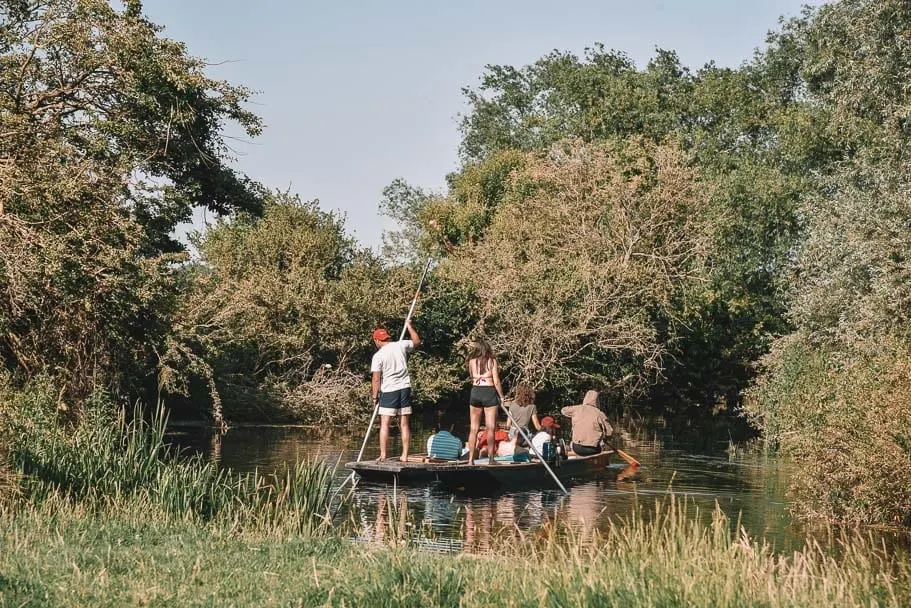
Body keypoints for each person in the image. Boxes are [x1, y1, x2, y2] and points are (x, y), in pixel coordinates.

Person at [371, 319, 421, 462]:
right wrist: (409, 327)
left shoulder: (378, 356)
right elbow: (417, 341)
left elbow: (376, 379)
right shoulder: (400, 345)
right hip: (404, 388)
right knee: (404, 423)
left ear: (377, 340)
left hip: (389, 391)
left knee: (385, 423)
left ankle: (383, 455)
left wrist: (375, 397)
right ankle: (404, 455)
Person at [465, 339, 505, 465]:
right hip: (488, 392)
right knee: (491, 428)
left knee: (473, 428)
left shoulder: (471, 362)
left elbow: (472, 376)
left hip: (475, 391)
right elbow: (496, 381)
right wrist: (502, 397)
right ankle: (491, 459)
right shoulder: (492, 361)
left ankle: (470, 460)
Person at [561, 389, 613, 456]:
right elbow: (609, 432)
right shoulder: (600, 414)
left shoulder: (576, 409)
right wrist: (605, 439)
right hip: (593, 450)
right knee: (602, 445)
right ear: (597, 401)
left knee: (571, 443)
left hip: (576, 448)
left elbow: (563, 410)